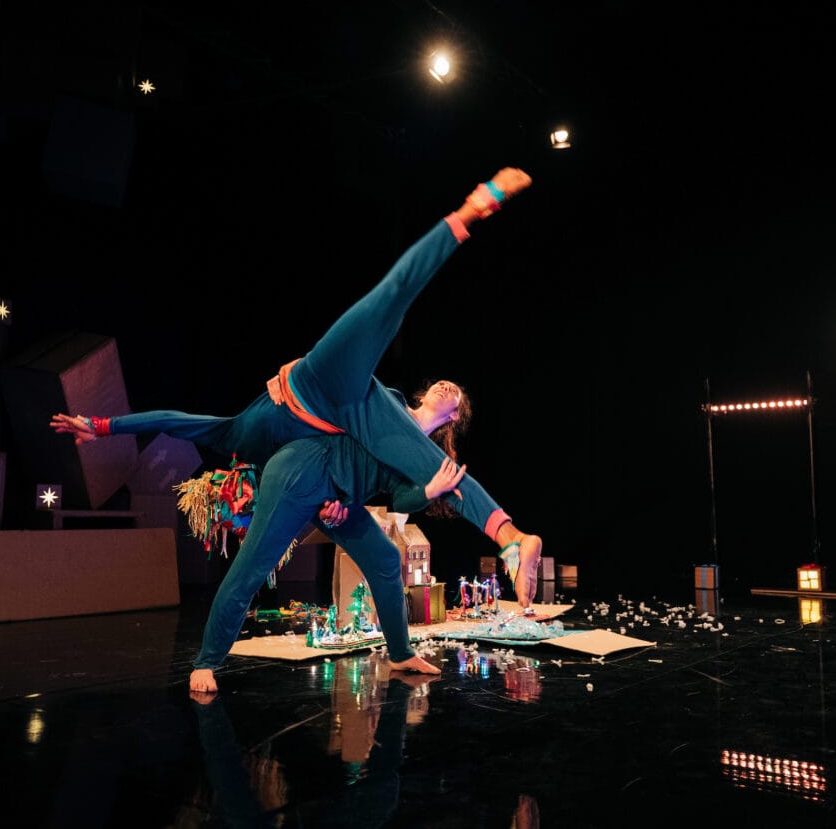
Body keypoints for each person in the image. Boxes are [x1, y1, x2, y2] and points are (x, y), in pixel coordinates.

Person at [51, 166, 543, 600]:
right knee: (390, 301)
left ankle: (512, 540)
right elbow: (183, 424)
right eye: (443, 385)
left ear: (453, 418)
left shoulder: (262, 443)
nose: (446, 388)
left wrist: (102, 424)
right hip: (329, 385)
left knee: (443, 472)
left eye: (455, 396)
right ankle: (472, 209)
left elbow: (354, 478)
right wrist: (103, 425)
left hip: (326, 398)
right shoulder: (375, 413)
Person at [184, 431, 459, 692]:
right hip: (298, 473)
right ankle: (206, 663)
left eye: (455, 401)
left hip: (335, 493)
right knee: (250, 571)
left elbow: (389, 488)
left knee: (385, 557)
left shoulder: (413, 444)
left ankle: (401, 653)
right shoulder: (392, 409)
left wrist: (347, 500)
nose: (449, 396)